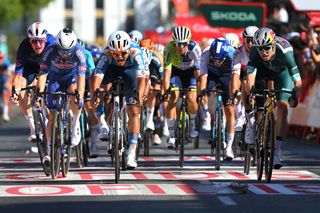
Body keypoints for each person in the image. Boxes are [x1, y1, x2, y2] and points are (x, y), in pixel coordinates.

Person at [245, 28, 302, 169]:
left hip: (282, 74)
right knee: (249, 90)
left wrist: (295, 96)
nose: (263, 52)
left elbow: (298, 82)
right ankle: (252, 125)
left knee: (282, 106)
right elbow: (250, 77)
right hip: (263, 72)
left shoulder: (285, 51)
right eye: (260, 49)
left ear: (274, 44)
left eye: (267, 48)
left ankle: (277, 152)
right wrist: (250, 91)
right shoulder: (254, 51)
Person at [91, 30, 146, 169]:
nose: (120, 57)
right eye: (116, 54)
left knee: (134, 110)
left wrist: (138, 97)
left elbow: (142, 80)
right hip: (112, 69)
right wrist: (96, 95)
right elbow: (97, 77)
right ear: (110, 51)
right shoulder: (106, 54)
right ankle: (105, 121)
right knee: (100, 90)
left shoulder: (135, 53)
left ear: (128, 50)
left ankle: (132, 152)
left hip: (131, 71)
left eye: (123, 54)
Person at [37, 28, 87, 163]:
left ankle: (75, 125)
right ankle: (49, 149)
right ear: (57, 45)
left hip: (72, 77)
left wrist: (80, 96)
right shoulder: (50, 50)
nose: (65, 54)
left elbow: (82, 77)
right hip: (55, 77)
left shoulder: (79, 51)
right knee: (52, 114)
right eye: (62, 50)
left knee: (75, 96)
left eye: (67, 51)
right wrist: (39, 93)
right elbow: (42, 73)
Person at [11, 22, 55, 141]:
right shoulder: (24, 47)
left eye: (40, 41)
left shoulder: (52, 43)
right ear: (29, 41)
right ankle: (32, 125)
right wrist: (14, 91)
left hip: (49, 69)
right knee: (20, 90)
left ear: (45, 39)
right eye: (34, 41)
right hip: (31, 69)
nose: (37, 44)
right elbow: (18, 75)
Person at [162, 26, 202, 149]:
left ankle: (193, 122)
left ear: (188, 42)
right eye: (178, 44)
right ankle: (171, 133)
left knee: (191, 97)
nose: (181, 47)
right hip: (176, 72)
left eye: (184, 44)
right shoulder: (168, 49)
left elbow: (198, 73)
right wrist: (166, 91)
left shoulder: (195, 48)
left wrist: (200, 91)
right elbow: (167, 74)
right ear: (174, 42)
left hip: (191, 72)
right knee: (172, 98)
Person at [198, 38, 235, 160]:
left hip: (227, 74)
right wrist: (202, 92)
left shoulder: (233, 54)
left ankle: (229, 147)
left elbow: (236, 78)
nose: (217, 62)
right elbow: (203, 76)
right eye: (215, 59)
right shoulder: (206, 53)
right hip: (212, 74)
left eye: (220, 60)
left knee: (229, 109)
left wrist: (234, 94)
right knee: (204, 91)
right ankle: (207, 115)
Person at [231, 26, 259, 133]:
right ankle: (240, 115)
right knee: (243, 82)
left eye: (253, 40)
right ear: (244, 40)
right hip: (244, 73)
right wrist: (235, 94)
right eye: (248, 40)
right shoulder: (238, 52)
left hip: (258, 73)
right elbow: (235, 76)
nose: (250, 44)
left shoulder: (261, 52)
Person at [140, 38, 164, 145]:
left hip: (153, 69)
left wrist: (161, 91)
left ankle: (155, 130)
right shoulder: (136, 55)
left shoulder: (156, 57)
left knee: (155, 90)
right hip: (141, 69)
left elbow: (162, 76)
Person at [0, 51, 10, 121]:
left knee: (5, 98)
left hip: (4, 83)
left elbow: (9, 74)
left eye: (1, 58)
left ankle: (5, 115)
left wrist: (8, 83)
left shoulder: (6, 63)